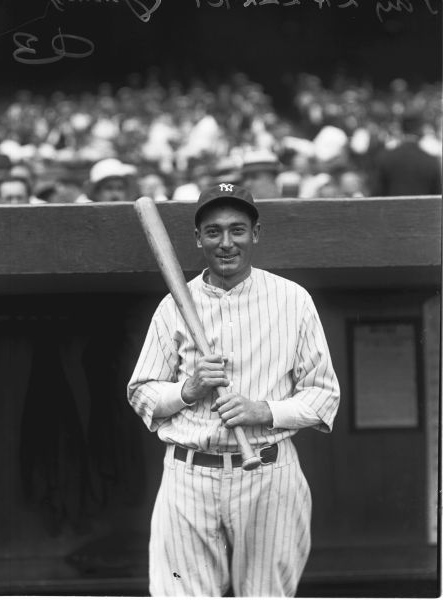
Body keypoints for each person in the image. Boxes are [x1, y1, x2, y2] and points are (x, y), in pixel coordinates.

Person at [128, 183, 340, 597]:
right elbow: (141, 392)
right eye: (214, 232)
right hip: (187, 472)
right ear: (198, 238)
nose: (226, 243)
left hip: (268, 469)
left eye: (237, 230)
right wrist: (188, 390)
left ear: (255, 234)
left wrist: (264, 411)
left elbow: (324, 396)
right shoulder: (174, 304)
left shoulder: (293, 300)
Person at [372, 114, 441, 196]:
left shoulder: (385, 158)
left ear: (402, 130)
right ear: (421, 131)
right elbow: (437, 196)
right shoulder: (431, 161)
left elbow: (376, 192)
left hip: (392, 208)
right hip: (421, 208)